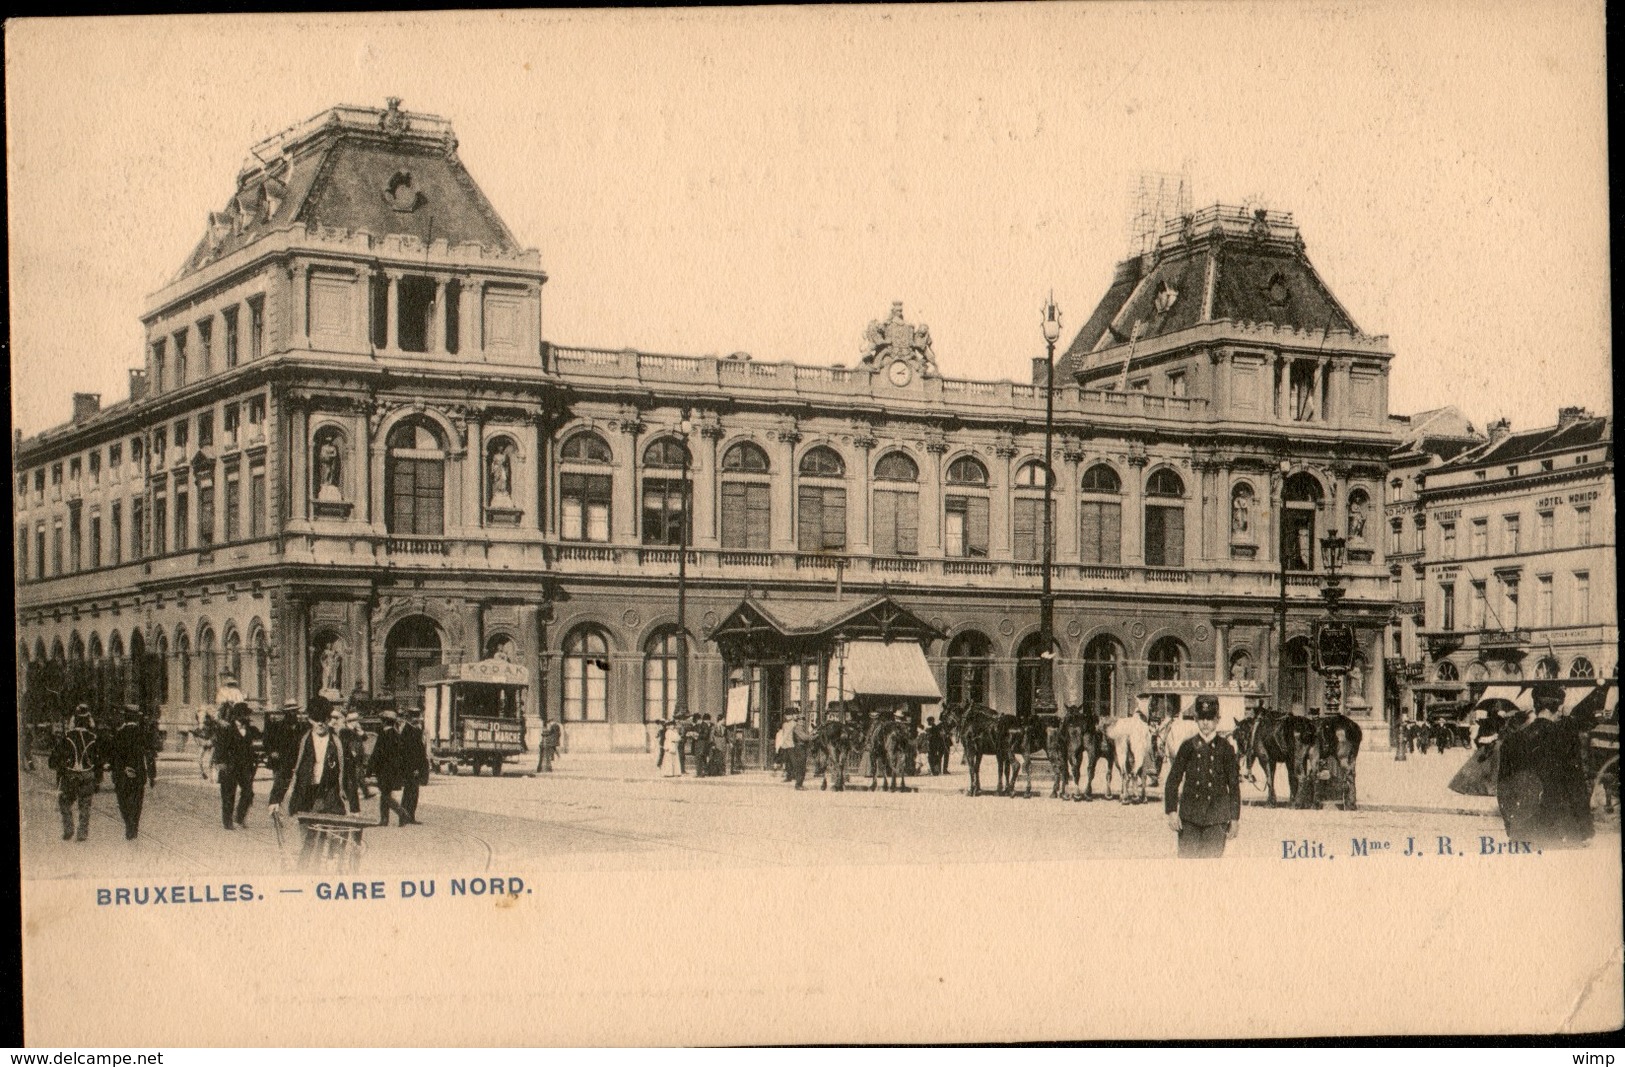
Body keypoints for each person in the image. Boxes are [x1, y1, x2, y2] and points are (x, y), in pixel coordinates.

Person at [1497, 682, 1594, 848]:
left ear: (1535, 706)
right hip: (1561, 830)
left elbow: (1503, 789)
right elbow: (1576, 785)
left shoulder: (1512, 740)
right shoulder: (1566, 739)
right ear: (1558, 707)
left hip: (1523, 830)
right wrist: (1585, 829)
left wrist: (1510, 826)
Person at [268, 697, 362, 863]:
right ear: (310, 719)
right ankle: (305, 871)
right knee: (308, 841)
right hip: (306, 795)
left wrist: (354, 807)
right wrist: (275, 799)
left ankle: (325, 867)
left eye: (324, 720)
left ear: (329, 719)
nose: (320, 724)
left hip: (330, 795)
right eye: (316, 720)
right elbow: (285, 772)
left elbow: (348, 776)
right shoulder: (300, 742)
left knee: (331, 840)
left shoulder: (339, 743)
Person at [1164, 697, 1241, 859]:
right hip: (1189, 820)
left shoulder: (1226, 748)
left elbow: (1234, 786)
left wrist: (1234, 818)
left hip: (1216, 820)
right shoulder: (1187, 746)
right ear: (1196, 719)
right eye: (1202, 718)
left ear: (1217, 720)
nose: (1206, 723)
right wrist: (1171, 811)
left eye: (1210, 718)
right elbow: (1173, 780)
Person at [50, 707, 102, 843]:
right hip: (87, 775)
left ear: (74, 720)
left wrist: (60, 770)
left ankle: (68, 828)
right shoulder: (93, 738)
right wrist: (98, 780)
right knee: (85, 804)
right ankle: (82, 833)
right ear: (88, 721)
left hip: (70, 775)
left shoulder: (67, 737)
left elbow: (54, 759)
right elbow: (98, 761)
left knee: (65, 802)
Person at [105, 704, 154, 840]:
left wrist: (117, 769)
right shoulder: (143, 734)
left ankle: (128, 824)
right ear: (137, 718)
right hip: (139, 774)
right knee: (137, 802)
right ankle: (134, 827)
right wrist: (152, 775)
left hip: (122, 775)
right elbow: (150, 756)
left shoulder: (119, 734)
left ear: (125, 717)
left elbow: (113, 756)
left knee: (123, 801)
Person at [215, 701, 262, 830]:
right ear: (238, 716)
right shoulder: (226, 730)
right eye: (245, 715)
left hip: (244, 767)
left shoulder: (250, 730)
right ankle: (228, 821)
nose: (247, 718)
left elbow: (263, 737)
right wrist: (220, 763)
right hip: (229, 767)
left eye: (247, 715)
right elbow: (219, 748)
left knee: (248, 792)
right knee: (228, 795)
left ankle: (239, 817)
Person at [369, 709, 411, 826]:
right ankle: (385, 819)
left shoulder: (384, 734)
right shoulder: (396, 734)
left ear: (384, 722)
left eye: (381, 721)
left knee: (385, 795)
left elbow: (377, 753)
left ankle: (402, 813)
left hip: (384, 770)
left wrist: (369, 770)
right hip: (393, 770)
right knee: (385, 794)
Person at [397, 713, 429, 825]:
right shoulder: (409, 732)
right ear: (412, 719)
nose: (420, 719)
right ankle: (405, 816)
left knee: (412, 792)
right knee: (410, 793)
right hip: (412, 768)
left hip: (414, 767)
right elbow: (410, 753)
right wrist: (415, 768)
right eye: (417, 717)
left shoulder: (414, 730)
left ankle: (410, 816)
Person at [342, 711, 375, 799]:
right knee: (352, 775)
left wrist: (360, 730)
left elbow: (365, 738)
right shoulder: (345, 730)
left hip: (359, 755)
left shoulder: (356, 730)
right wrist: (351, 752)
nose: (357, 723)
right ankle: (350, 793)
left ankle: (365, 792)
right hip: (351, 756)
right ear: (350, 721)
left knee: (359, 774)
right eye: (356, 721)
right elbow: (345, 744)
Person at [788, 712, 815, 789]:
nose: (802, 721)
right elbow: (805, 738)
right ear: (798, 721)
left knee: (802, 766)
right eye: (801, 720)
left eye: (803, 720)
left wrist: (812, 734)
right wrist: (814, 736)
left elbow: (807, 736)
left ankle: (800, 784)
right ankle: (798, 785)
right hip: (799, 748)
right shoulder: (797, 728)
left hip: (802, 748)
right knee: (800, 767)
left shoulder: (801, 728)